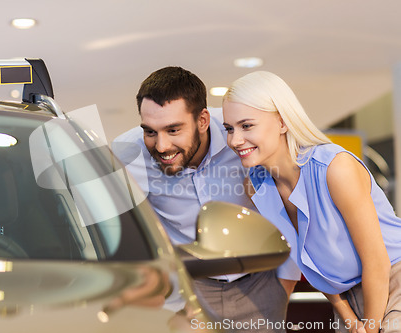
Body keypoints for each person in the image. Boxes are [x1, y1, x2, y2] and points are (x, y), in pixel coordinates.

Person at [112, 66, 300, 333]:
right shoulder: (128, 153)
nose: (161, 146)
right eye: (150, 131)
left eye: (174, 130)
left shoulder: (240, 135)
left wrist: (285, 283)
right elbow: (127, 235)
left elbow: (286, 203)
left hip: (261, 285)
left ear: (202, 120)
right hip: (187, 290)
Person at [222, 70, 401, 333]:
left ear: (282, 122)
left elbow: (377, 262)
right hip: (347, 298)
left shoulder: (335, 168)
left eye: (246, 126)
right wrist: (350, 318)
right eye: (229, 128)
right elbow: (312, 262)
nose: (235, 140)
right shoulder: (256, 185)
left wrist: (370, 327)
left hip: (392, 280)